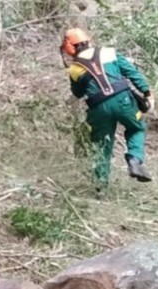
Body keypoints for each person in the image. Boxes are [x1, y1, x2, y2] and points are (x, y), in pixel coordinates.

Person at [61, 28, 152, 190]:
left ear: (70, 49)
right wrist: (147, 92)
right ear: (89, 41)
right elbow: (132, 73)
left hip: (98, 107)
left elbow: (77, 93)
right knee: (136, 128)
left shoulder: (74, 69)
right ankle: (134, 160)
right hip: (124, 100)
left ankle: (100, 187)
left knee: (102, 144)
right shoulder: (109, 53)